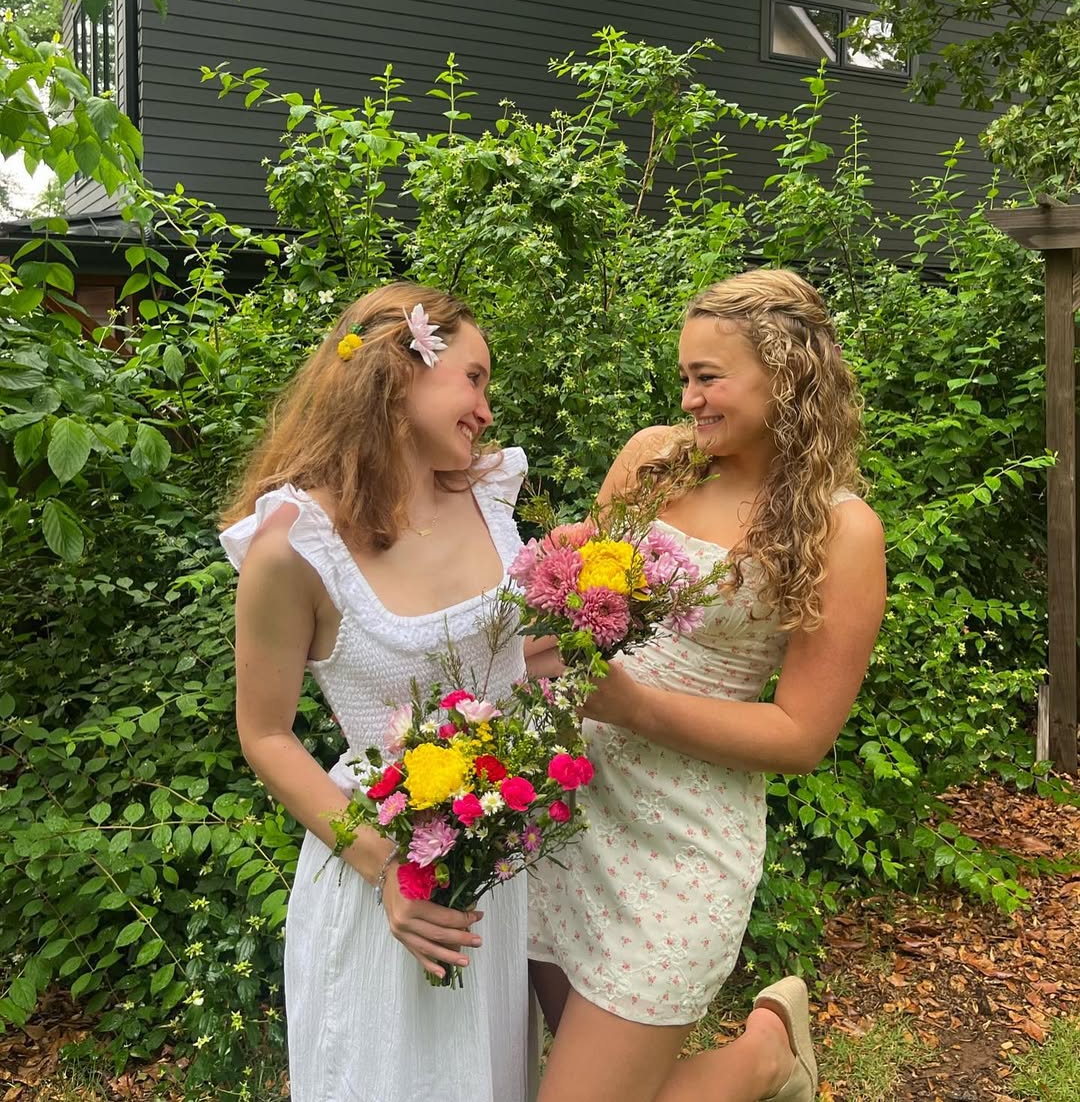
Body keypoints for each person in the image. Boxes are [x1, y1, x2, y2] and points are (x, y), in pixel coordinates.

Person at [527, 268, 887, 1102]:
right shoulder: (654, 463)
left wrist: (633, 706)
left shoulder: (839, 531)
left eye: (708, 377)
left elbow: (801, 736)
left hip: (682, 842)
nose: (689, 399)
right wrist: (549, 584)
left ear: (786, 374)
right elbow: (590, 609)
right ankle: (768, 1057)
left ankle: (764, 1057)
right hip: (568, 808)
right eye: (685, 377)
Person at [220, 282, 535, 1102]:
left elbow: (518, 657)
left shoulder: (488, 493)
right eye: (474, 379)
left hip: (503, 861)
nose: (486, 411)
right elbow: (265, 735)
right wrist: (386, 867)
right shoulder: (294, 548)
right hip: (385, 874)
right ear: (401, 369)